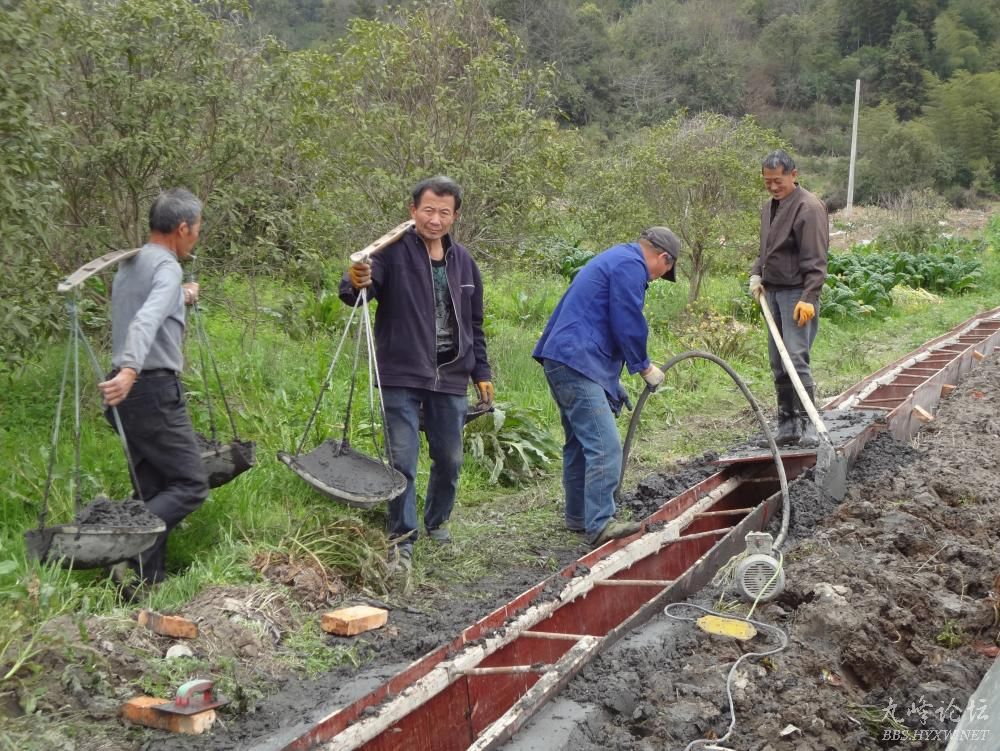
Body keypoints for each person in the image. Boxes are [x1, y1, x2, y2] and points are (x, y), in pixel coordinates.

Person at [339, 176, 493, 575]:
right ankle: (402, 538)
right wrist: (356, 278)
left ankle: (437, 522)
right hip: (401, 373)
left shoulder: (464, 262)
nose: (435, 220)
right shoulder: (390, 254)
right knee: (402, 461)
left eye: (444, 212)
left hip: (451, 376)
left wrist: (482, 371)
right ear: (412, 211)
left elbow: (475, 323)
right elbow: (357, 291)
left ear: (455, 216)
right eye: (428, 210)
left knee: (450, 458)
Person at [533, 227, 679, 548]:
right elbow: (625, 319)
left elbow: (599, 323)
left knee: (578, 443)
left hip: (564, 357)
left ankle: (578, 516)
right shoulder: (632, 266)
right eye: (662, 273)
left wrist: (611, 385)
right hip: (576, 359)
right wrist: (643, 366)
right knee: (604, 446)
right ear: (663, 258)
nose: (655, 279)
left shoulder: (617, 257)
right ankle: (599, 522)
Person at [98, 187, 209, 592]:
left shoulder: (132, 263)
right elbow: (145, 319)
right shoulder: (168, 267)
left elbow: (145, 305)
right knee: (190, 484)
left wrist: (181, 298)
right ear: (182, 228)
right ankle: (127, 551)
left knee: (153, 488)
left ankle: (146, 582)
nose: (197, 236)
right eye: (197, 229)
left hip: (127, 397)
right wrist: (130, 369)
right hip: (151, 387)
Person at [749, 149, 829, 448]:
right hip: (773, 293)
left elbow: (817, 259)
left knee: (795, 358)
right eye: (767, 181)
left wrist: (809, 296)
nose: (772, 187)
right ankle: (787, 426)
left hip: (798, 294)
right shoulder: (770, 207)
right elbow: (766, 249)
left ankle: (809, 424)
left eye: (778, 181)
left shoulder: (809, 208)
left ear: (794, 175)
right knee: (777, 361)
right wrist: (758, 273)